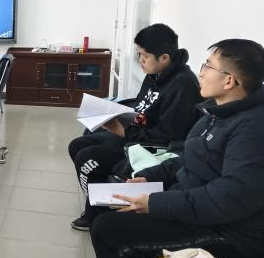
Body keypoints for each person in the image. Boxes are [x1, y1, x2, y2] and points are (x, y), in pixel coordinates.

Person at [64, 39, 264, 258]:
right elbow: (186, 158)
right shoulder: (217, 111)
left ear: (229, 81)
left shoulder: (254, 129)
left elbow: (229, 199)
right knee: (105, 203)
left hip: (229, 231)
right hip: (194, 202)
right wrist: (148, 177)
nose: (201, 72)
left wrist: (156, 202)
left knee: (109, 229)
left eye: (208, 66)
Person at [68, 24, 202, 231]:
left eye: (144, 56)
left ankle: (97, 213)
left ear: (164, 57)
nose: (140, 61)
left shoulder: (183, 85)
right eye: (139, 54)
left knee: (88, 159)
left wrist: (124, 131)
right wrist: (118, 115)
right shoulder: (154, 74)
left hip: (153, 146)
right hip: (137, 134)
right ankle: (97, 202)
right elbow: (142, 109)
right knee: (77, 145)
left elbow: (167, 135)